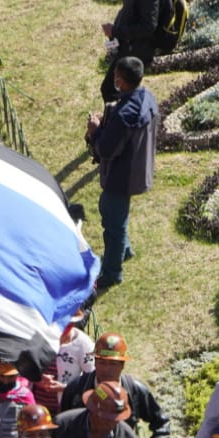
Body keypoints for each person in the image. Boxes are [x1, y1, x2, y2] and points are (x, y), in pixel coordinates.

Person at [86, 57, 158, 294]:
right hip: (138, 169)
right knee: (117, 216)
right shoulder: (147, 97)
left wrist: (96, 130)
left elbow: (106, 149)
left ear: (120, 80)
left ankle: (111, 273)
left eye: (115, 76)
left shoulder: (125, 114)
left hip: (120, 176)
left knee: (113, 223)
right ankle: (124, 251)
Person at [87, 0, 169, 101]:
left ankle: (121, 117)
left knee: (111, 90)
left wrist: (115, 31)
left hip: (136, 51)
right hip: (129, 46)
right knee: (115, 90)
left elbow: (148, 27)